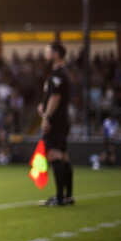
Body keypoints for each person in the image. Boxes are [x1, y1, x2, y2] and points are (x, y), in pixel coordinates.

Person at [37, 42, 74, 206]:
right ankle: (67, 195)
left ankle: (60, 197)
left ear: (56, 54)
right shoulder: (61, 73)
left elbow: (55, 97)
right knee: (63, 157)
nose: (45, 55)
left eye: (48, 52)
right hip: (62, 120)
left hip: (56, 121)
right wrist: (43, 107)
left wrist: (46, 116)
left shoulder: (58, 74)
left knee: (55, 155)